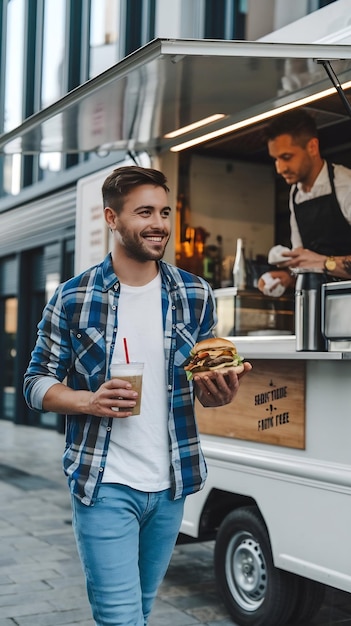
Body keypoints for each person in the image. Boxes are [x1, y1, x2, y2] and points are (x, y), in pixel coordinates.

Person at [23, 165, 251, 626]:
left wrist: (219, 392)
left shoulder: (195, 293)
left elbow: (203, 389)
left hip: (171, 482)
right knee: (120, 618)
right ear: (112, 218)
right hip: (104, 481)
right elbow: (34, 382)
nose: (159, 224)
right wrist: (88, 400)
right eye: (144, 211)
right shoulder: (73, 297)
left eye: (165, 212)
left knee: (141, 610)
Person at [258, 109, 351, 296]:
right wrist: (287, 277)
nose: (280, 168)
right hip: (317, 307)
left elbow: (315, 262)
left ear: (312, 147)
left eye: (286, 157)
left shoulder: (346, 186)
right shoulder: (296, 195)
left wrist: (323, 262)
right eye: (276, 159)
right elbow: (304, 261)